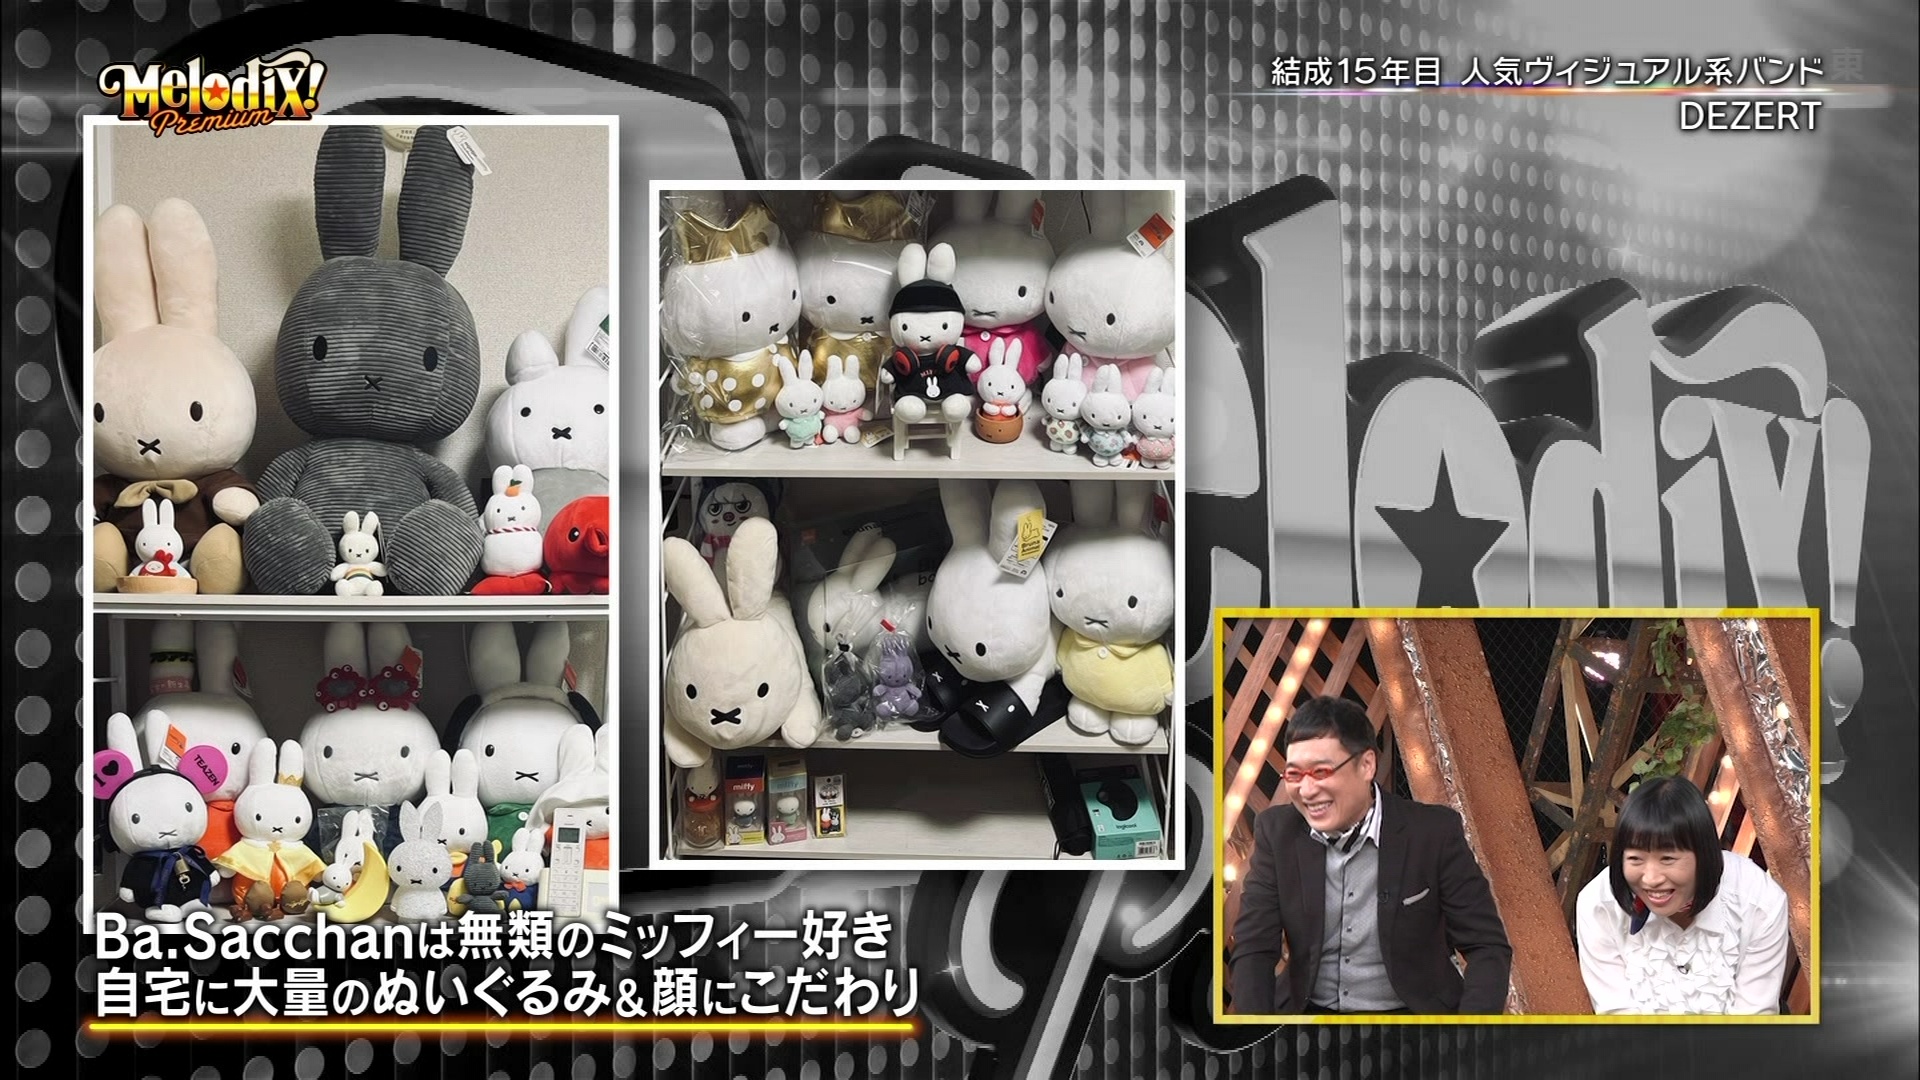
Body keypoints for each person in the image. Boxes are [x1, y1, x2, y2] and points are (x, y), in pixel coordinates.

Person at [1228, 696, 1512, 1015]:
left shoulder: (1433, 832)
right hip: (1308, 1013)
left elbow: (1487, 946)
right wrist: (1257, 1034)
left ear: (1366, 765)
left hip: (1414, 1015)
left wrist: (1469, 1034)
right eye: (1294, 775)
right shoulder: (1277, 832)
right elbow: (1254, 947)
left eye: (1321, 771)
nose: (1306, 791)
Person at [1575, 775, 1793, 1014]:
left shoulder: (1759, 900)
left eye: (1668, 859)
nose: (1651, 879)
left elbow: (1755, 1014)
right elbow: (1617, 1012)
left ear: (1704, 853)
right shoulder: (1598, 906)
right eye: (1635, 859)